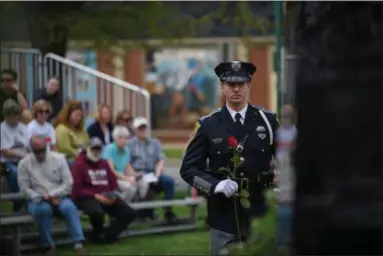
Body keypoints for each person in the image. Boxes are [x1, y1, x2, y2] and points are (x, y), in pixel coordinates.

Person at [180, 60, 279, 256]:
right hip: (223, 213)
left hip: (259, 209)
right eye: (231, 84)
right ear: (222, 86)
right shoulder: (208, 124)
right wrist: (214, 185)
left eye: (241, 84)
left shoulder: (267, 121)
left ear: (248, 85)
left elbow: (287, 160)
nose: (236, 89)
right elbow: (189, 169)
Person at [17, 136, 85, 256]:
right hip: (37, 199)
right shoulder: (24, 164)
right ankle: (49, 246)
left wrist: (53, 194)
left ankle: (78, 243)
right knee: (43, 210)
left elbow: (68, 182)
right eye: (36, 152)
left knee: (69, 207)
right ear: (31, 149)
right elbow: (24, 189)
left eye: (42, 150)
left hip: (59, 195)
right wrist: (43, 197)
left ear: (46, 147)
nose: (40, 154)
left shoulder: (59, 159)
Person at [71, 137, 136, 244]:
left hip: (106, 195)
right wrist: (96, 196)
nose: (96, 152)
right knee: (97, 213)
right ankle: (97, 234)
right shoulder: (79, 164)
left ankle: (108, 235)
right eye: (93, 149)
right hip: (88, 197)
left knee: (129, 212)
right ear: (87, 149)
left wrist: (113, 196)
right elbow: (77, 190)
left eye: (99, 149)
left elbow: (113, 183)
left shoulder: (104, 163)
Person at [127, 117, 178, 222]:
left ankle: (168, 211)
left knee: (169, 181)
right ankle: (143, 213)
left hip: (152, 172)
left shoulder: (155, 142)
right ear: (135, 130)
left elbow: (161, 160)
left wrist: (158, 172)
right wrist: (134, 174)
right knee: (145, 185)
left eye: (144, 128)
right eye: (140, 128)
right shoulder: (129, 144)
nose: (143, 130)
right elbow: (126, 163)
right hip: (137, 173)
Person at [103, 126, 150, 203]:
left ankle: (139, 205)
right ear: (116, 139)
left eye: (126, 138)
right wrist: (127, 179)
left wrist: (136, 175)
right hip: (113, 179)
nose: (126, 141)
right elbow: (112, 171)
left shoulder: (126, 150)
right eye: (123, 138)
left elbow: (127, 167)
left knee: (144, 183)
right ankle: (121, 206)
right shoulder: (110, 149)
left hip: (123, 177)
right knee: (130, 188)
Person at [0, 99, 30, 211]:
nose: (12, 120)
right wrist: (21, 155)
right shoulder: (2, 128)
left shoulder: (24, 128)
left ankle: (29, 202)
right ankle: (18, 201)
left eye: (14, 116)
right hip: (8, 161)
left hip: (24, 159)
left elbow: (29, 146)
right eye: (9, 117)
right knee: (15, 172)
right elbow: (5, 151)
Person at [275, 104, 297, 249]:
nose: (285, 119)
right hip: (281, 164)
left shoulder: (295, 132)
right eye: (283, 117)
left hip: (291, 165)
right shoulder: (279, 132)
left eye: (287, 117)